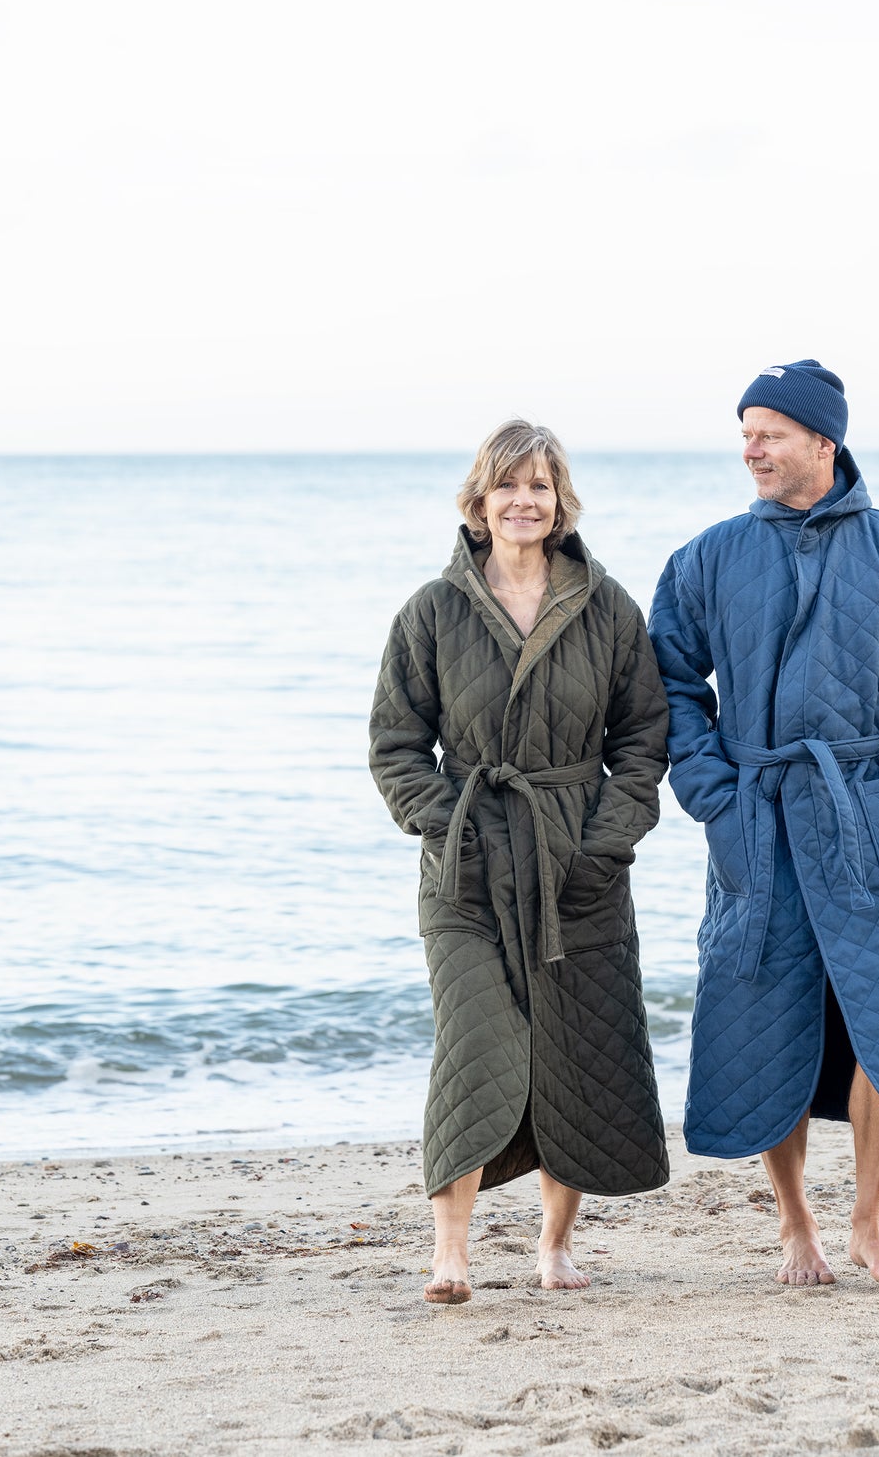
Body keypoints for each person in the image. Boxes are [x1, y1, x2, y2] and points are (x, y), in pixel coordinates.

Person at [649, 360, 879, 1290]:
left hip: (872, 814)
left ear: (823, 441)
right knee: (769, 1016)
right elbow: (667, 686)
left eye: (770, 432)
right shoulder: (707, 556)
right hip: (756, 823)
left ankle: (869, 1216)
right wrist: (715, 796)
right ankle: (795, 1220)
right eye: (745, 432)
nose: (751, 448)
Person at [370, 420, 669, 1304]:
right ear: (478, 501)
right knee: (472, 1045)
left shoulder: (608, 608)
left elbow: (644, 740)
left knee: (573, 1049)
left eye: (539, 485)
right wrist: (443, 824)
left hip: (577, 861)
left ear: (560, 500)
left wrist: (604, 842)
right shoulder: (431, 610)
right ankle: (450, 1254)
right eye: (507, 486)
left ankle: (554, 1246)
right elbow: (395, 745)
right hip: (465, 869)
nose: (523, 501)